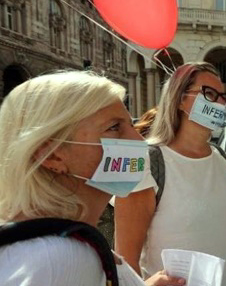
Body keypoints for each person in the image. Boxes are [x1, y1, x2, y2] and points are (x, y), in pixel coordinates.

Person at [0, 71, 184, 285]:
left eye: (130, 125)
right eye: (114, 127)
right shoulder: (61, 260)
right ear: (53, 155)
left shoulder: (55, 247)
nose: (138, 140)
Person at [115, 62, 226, 286]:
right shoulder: (147, 162)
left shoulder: (220, 156)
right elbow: (125, 264)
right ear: (179, 99)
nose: (219, 103)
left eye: (223, 97)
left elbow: (225, 211)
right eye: (209, 93)